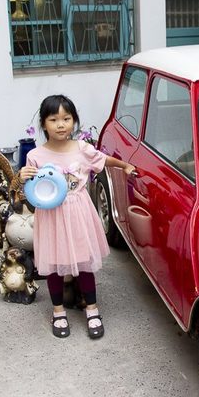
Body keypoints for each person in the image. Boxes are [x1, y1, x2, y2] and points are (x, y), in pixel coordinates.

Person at [19, 95, 135, 339]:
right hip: (51, 216)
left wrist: (124, 166)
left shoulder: (82, 148)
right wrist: (22, 178)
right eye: (53, 119)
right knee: (53, 265)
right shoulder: (36, 156)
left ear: (74, 121)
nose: (61, 124)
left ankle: (92, 310)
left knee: (83, 262)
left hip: (79, 212)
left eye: (66, 118)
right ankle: (58, 311)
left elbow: (103, 160)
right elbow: (30, 193)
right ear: (43, 124)